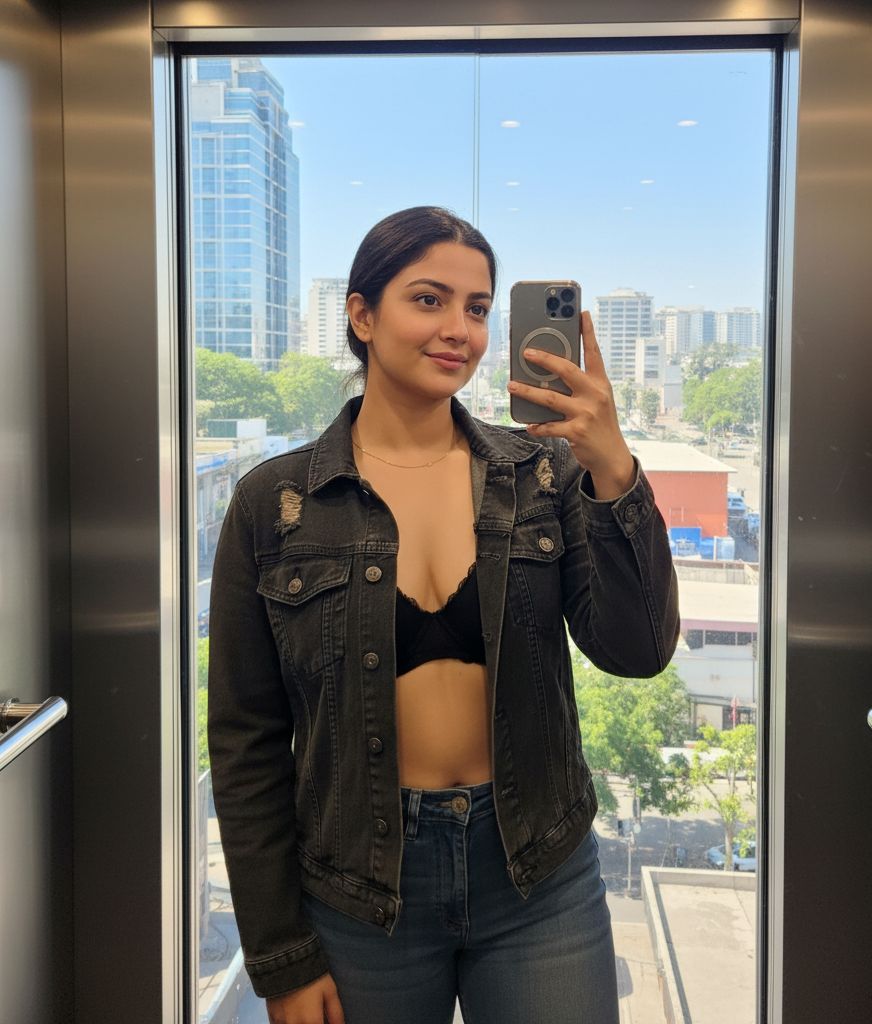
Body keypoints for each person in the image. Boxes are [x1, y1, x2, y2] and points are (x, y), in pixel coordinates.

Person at [208, 206, 680, 1024]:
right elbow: (246, 741)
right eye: (428, 300)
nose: (458, 328)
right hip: (360, 888)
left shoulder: (543, 474)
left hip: (537, 871)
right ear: (361, 315)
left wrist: (612, 467)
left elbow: (637, 650)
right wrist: (281, 955)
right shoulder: (276, 505)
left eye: (477, 307)